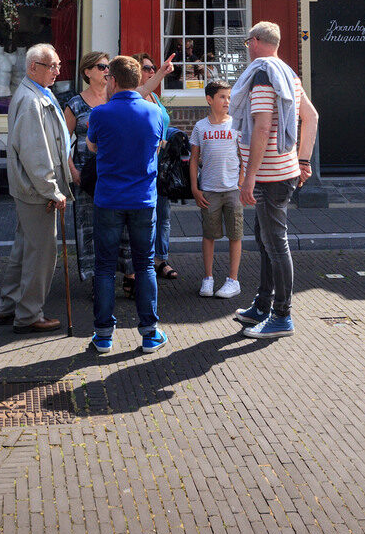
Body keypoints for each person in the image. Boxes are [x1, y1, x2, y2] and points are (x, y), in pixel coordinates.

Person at [230, 21, 318, 339]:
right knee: (266, 240)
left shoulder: (264, 75)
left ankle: (282, 316)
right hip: (283, 172)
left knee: (276, 244)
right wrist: (303, 160)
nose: (247, 49)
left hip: (269, 177)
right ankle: (263, 305)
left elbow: (263, 127)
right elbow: (312, 116)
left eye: (247, 43)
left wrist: (249, 177)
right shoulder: (288, 74)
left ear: (255, 41)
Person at [85, 55, 168, 354]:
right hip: (143, 199)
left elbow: (92, 147)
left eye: (108, 77)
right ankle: (150, 333)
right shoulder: (154, 112)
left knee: (105, 267)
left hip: (109, 199)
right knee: (145, 265)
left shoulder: (100, 114)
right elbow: (158, 146)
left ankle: (103, 335)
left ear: (114, 80)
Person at [0, 43, 69, 334]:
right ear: (32, 68)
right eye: (52, 66)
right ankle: (28, 315)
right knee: (41, 253)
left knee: (25, 248)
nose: (57, 71)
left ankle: (10, 306)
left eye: (58, 65)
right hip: (37, 191)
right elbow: (35, 153)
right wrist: (52, 190)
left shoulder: (37, 93)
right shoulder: (31, 100)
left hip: (31, 188)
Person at [190, 80, 244, 299]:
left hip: (232, 190)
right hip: (209, 191)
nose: (227, 101)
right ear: (209, 99)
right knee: (209, 235)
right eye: (222, 97)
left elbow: (244, 156)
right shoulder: (200, 127)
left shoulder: (236, 125)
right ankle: (208, 278)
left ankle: (233, 280)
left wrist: (241, 183)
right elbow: (194, 160)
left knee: (235, 234)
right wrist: (195, 188)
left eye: (229, 97)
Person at [62, 50, 110, 282]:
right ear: (87, 72)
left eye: (108, 67)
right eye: (101, 67)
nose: (106, 71)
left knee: (114, 226)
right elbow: (62, 141)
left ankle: (119, 274)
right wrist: (73, 171)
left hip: (112, 174)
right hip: (85, 176)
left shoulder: (115, 99)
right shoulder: (75, 104)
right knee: (88, 227)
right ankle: (94, 278)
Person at [135, 52, 179, 281]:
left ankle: (161, 258)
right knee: (147, 216)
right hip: (145, 164)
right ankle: (144, 262)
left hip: (162, 165)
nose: (151, 71)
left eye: (153, 68)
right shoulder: (136, 96)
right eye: (147, 68)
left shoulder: (154, 96)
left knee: (164, 214)